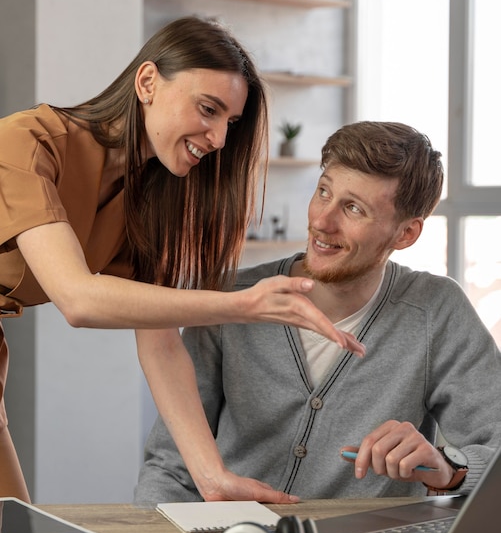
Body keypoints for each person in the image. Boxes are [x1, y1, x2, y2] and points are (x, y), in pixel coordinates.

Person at [0, 16, 365, 503]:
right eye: (208, 109)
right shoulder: (24, 145)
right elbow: (78, 298)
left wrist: (212, 477)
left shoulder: (146, 198)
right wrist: (242, 305)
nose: (217, 139)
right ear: (148, 82)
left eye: (229, 124)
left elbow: (162, 346)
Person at [134, 120, 501, 506]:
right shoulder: (229, 299)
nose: (322, 222)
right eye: (323, 191)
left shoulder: (435, 310)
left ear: (405, 234)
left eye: (354, 209)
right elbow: (170, 465)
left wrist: (447, 469)